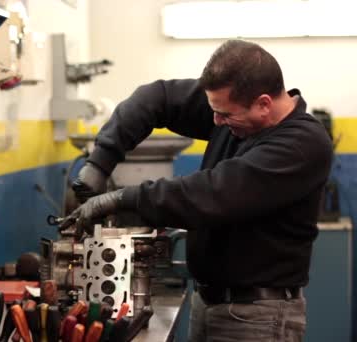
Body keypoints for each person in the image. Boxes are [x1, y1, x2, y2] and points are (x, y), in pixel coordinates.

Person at [62, 40, 333, 341]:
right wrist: (99, 163)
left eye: (225, 116)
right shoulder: (234, 109)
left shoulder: (302, 144)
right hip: (208, 304)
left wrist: (122, 198)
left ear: (264, 104)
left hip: (258, 317)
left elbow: (214, 193)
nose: (216, 122)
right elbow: (155, 97)